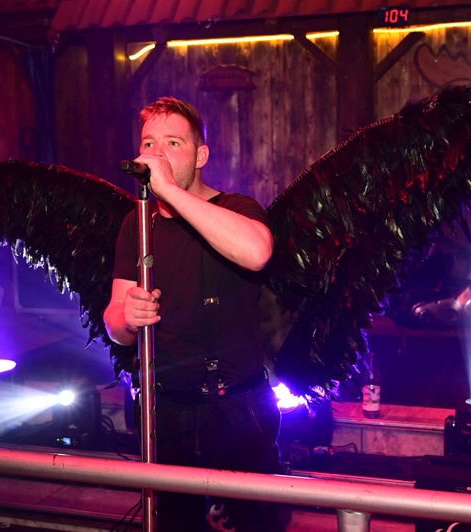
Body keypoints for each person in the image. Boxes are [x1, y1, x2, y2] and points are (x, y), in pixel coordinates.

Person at [103, 97, 286, 531]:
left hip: (239, 408)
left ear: (201, 155)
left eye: (173, 143)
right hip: (165, 409)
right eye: (149, 143)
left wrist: (167, 190)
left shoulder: (237, 208)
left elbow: (257, 252)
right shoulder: (137, 224)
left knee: (255, 523)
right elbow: (114, 324)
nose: (157, 154)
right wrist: (127, 317)